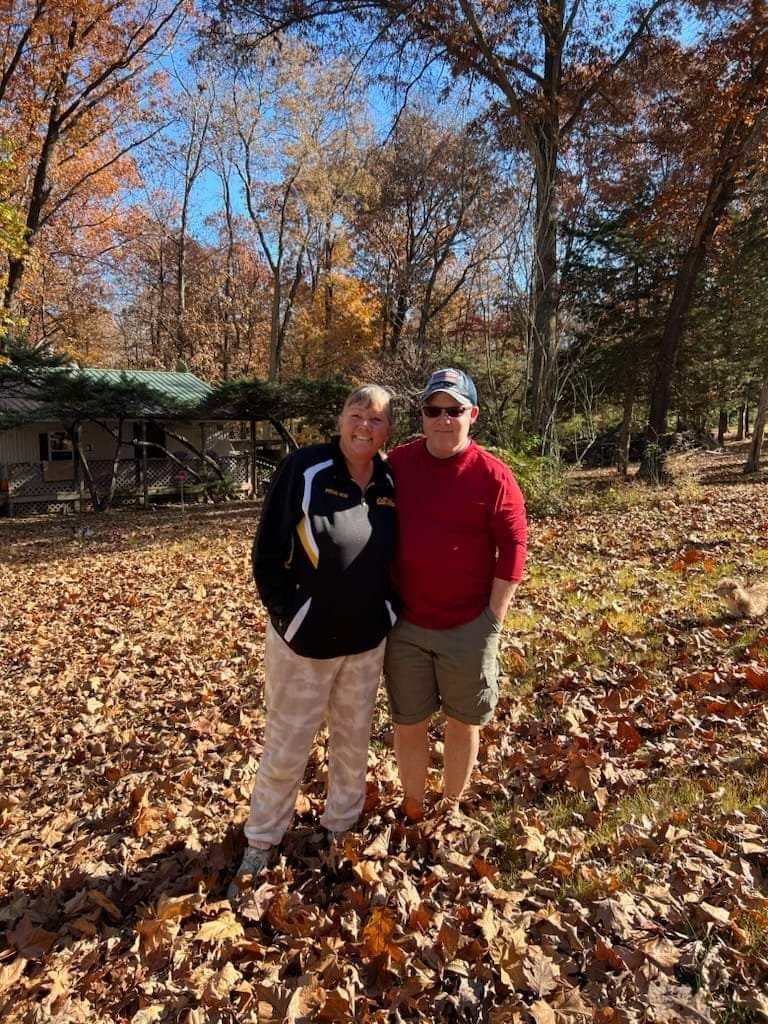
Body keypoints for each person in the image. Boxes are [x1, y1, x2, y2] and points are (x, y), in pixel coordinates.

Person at [228, 385, 396, 900]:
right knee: (287, 745)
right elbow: (269, 550)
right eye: (356, 415)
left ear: (389, 431)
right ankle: (261, 843)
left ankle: (340, 828)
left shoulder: (392, 480)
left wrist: (389, 611)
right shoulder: (307, 468)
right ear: (340, 418)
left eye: (376, 419)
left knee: (353, 741)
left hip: (367, 641)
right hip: (304, 641)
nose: (364, 426)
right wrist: (287, 612)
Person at [384, 368, 527, 823]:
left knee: (463, 721)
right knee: (409, 721)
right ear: (423, 416)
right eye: (434, 410)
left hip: (469, 624)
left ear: (473, 415)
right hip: (406, 623)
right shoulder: (397, 467)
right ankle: (414, 805)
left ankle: (450, 806)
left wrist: (492, 619)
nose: (443, 419)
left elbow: (515, 546)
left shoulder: (493, 476)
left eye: (454, 410)